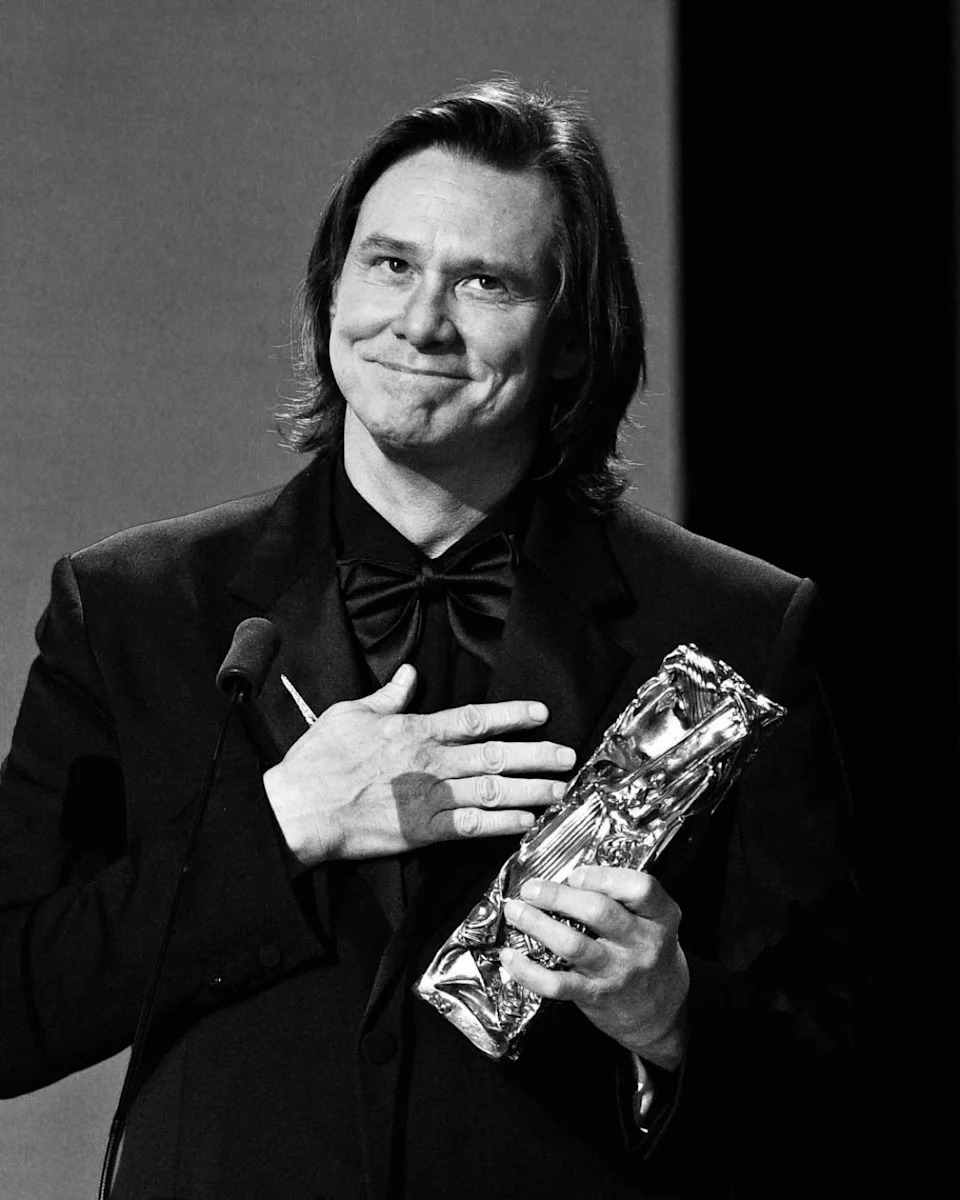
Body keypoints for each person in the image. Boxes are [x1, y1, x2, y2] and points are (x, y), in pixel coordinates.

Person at [0, 80, 864, 1199]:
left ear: (570, 338)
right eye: (390, 265)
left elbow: (841, 1085)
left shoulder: (731, 626)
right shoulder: (135, 609)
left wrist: (672, 1015)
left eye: (485, 282)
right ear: (332, 288)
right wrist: (281, 827)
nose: (420, 322)